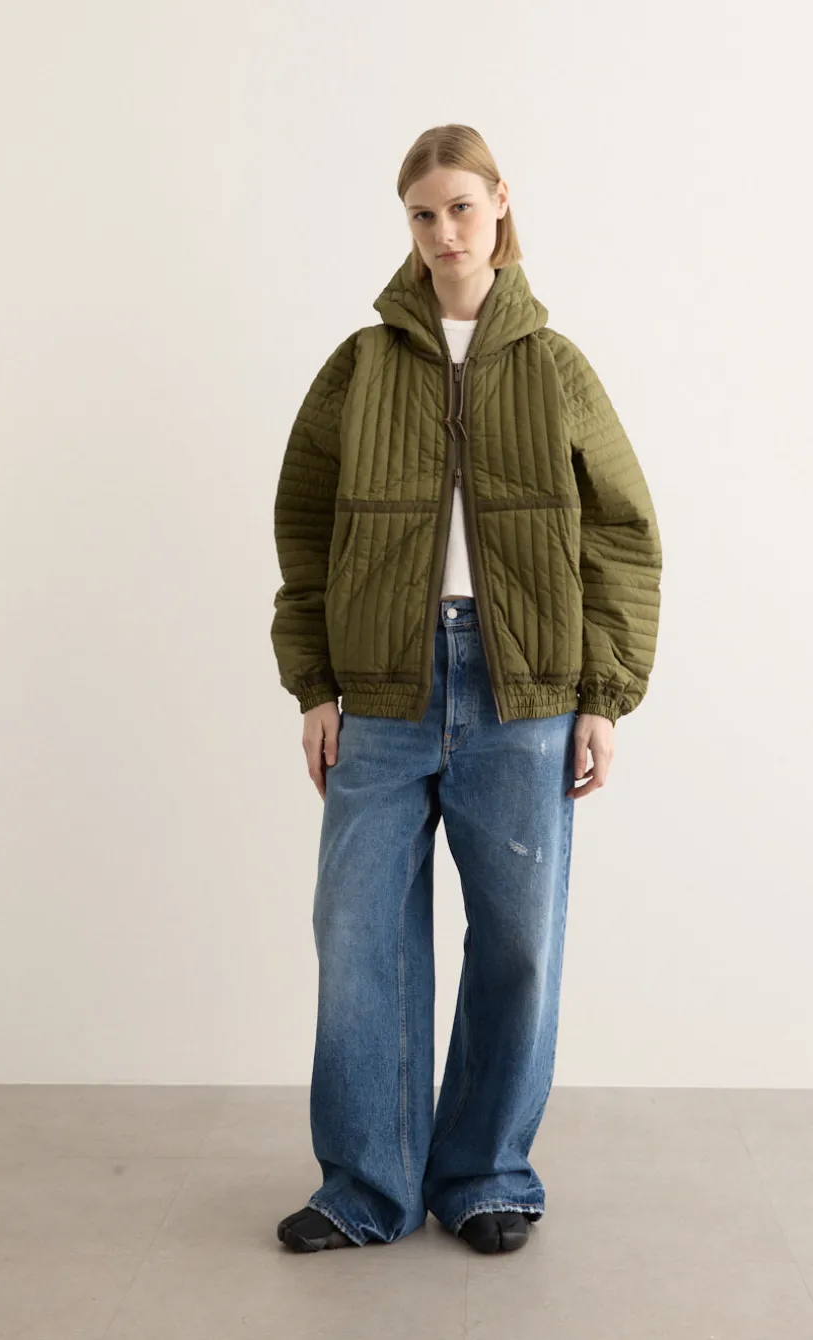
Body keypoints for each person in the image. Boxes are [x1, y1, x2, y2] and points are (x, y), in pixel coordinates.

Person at [270, 125, 662, 1255]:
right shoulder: (360, 365)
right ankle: (365, 1187)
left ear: (499, 204)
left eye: (459, 207)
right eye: (421, 214)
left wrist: (603, 695)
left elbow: (624, 535)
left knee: (519, 943)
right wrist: (315, 684)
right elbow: (304, 531)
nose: (443, 232)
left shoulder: (554, 366)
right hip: (381, 690)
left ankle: (488, 1174)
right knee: (359, 935)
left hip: (521, 688)